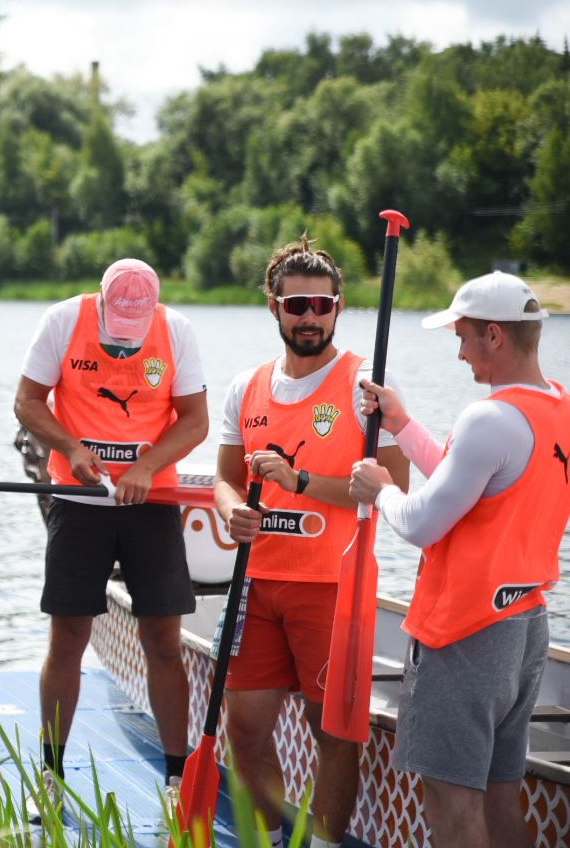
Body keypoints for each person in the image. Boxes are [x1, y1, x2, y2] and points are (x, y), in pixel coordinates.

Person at [350, 272, 565, 848]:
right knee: (499, 794)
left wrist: (381, 491)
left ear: (494, 335)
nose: (460, 352)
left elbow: (422, 523)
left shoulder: (490, 418)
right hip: (525, 622)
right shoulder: (558, 406)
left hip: (465, 631)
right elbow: (468, 479)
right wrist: (401, 424)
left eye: (463, 337)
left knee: (452, 801)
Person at [214, 239, 409, 848]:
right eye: (296, 305)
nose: (309, 317)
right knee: (244, 729)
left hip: (332, 586)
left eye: (321, 306)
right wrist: (231, 511)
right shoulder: (246, 386)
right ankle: (272, 840)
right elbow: (224, 480)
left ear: (339, 307)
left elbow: (396, 486)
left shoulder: (364, 384)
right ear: (274, 307)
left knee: (332, 734)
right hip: (256, 582)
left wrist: (300, 481)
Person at [13, 257, 208, 801]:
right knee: (68, 636)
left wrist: (147, 466)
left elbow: (195, 419)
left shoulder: (176, 331)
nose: (123, 340)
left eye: (133, 330)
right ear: (100, 302)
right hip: (79, 499)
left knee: (162, 640)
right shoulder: (62, 321)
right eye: (116, 327)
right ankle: (51, 774)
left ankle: (175, 777)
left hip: (153, 500)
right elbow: (26, 401)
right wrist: (70, 448)